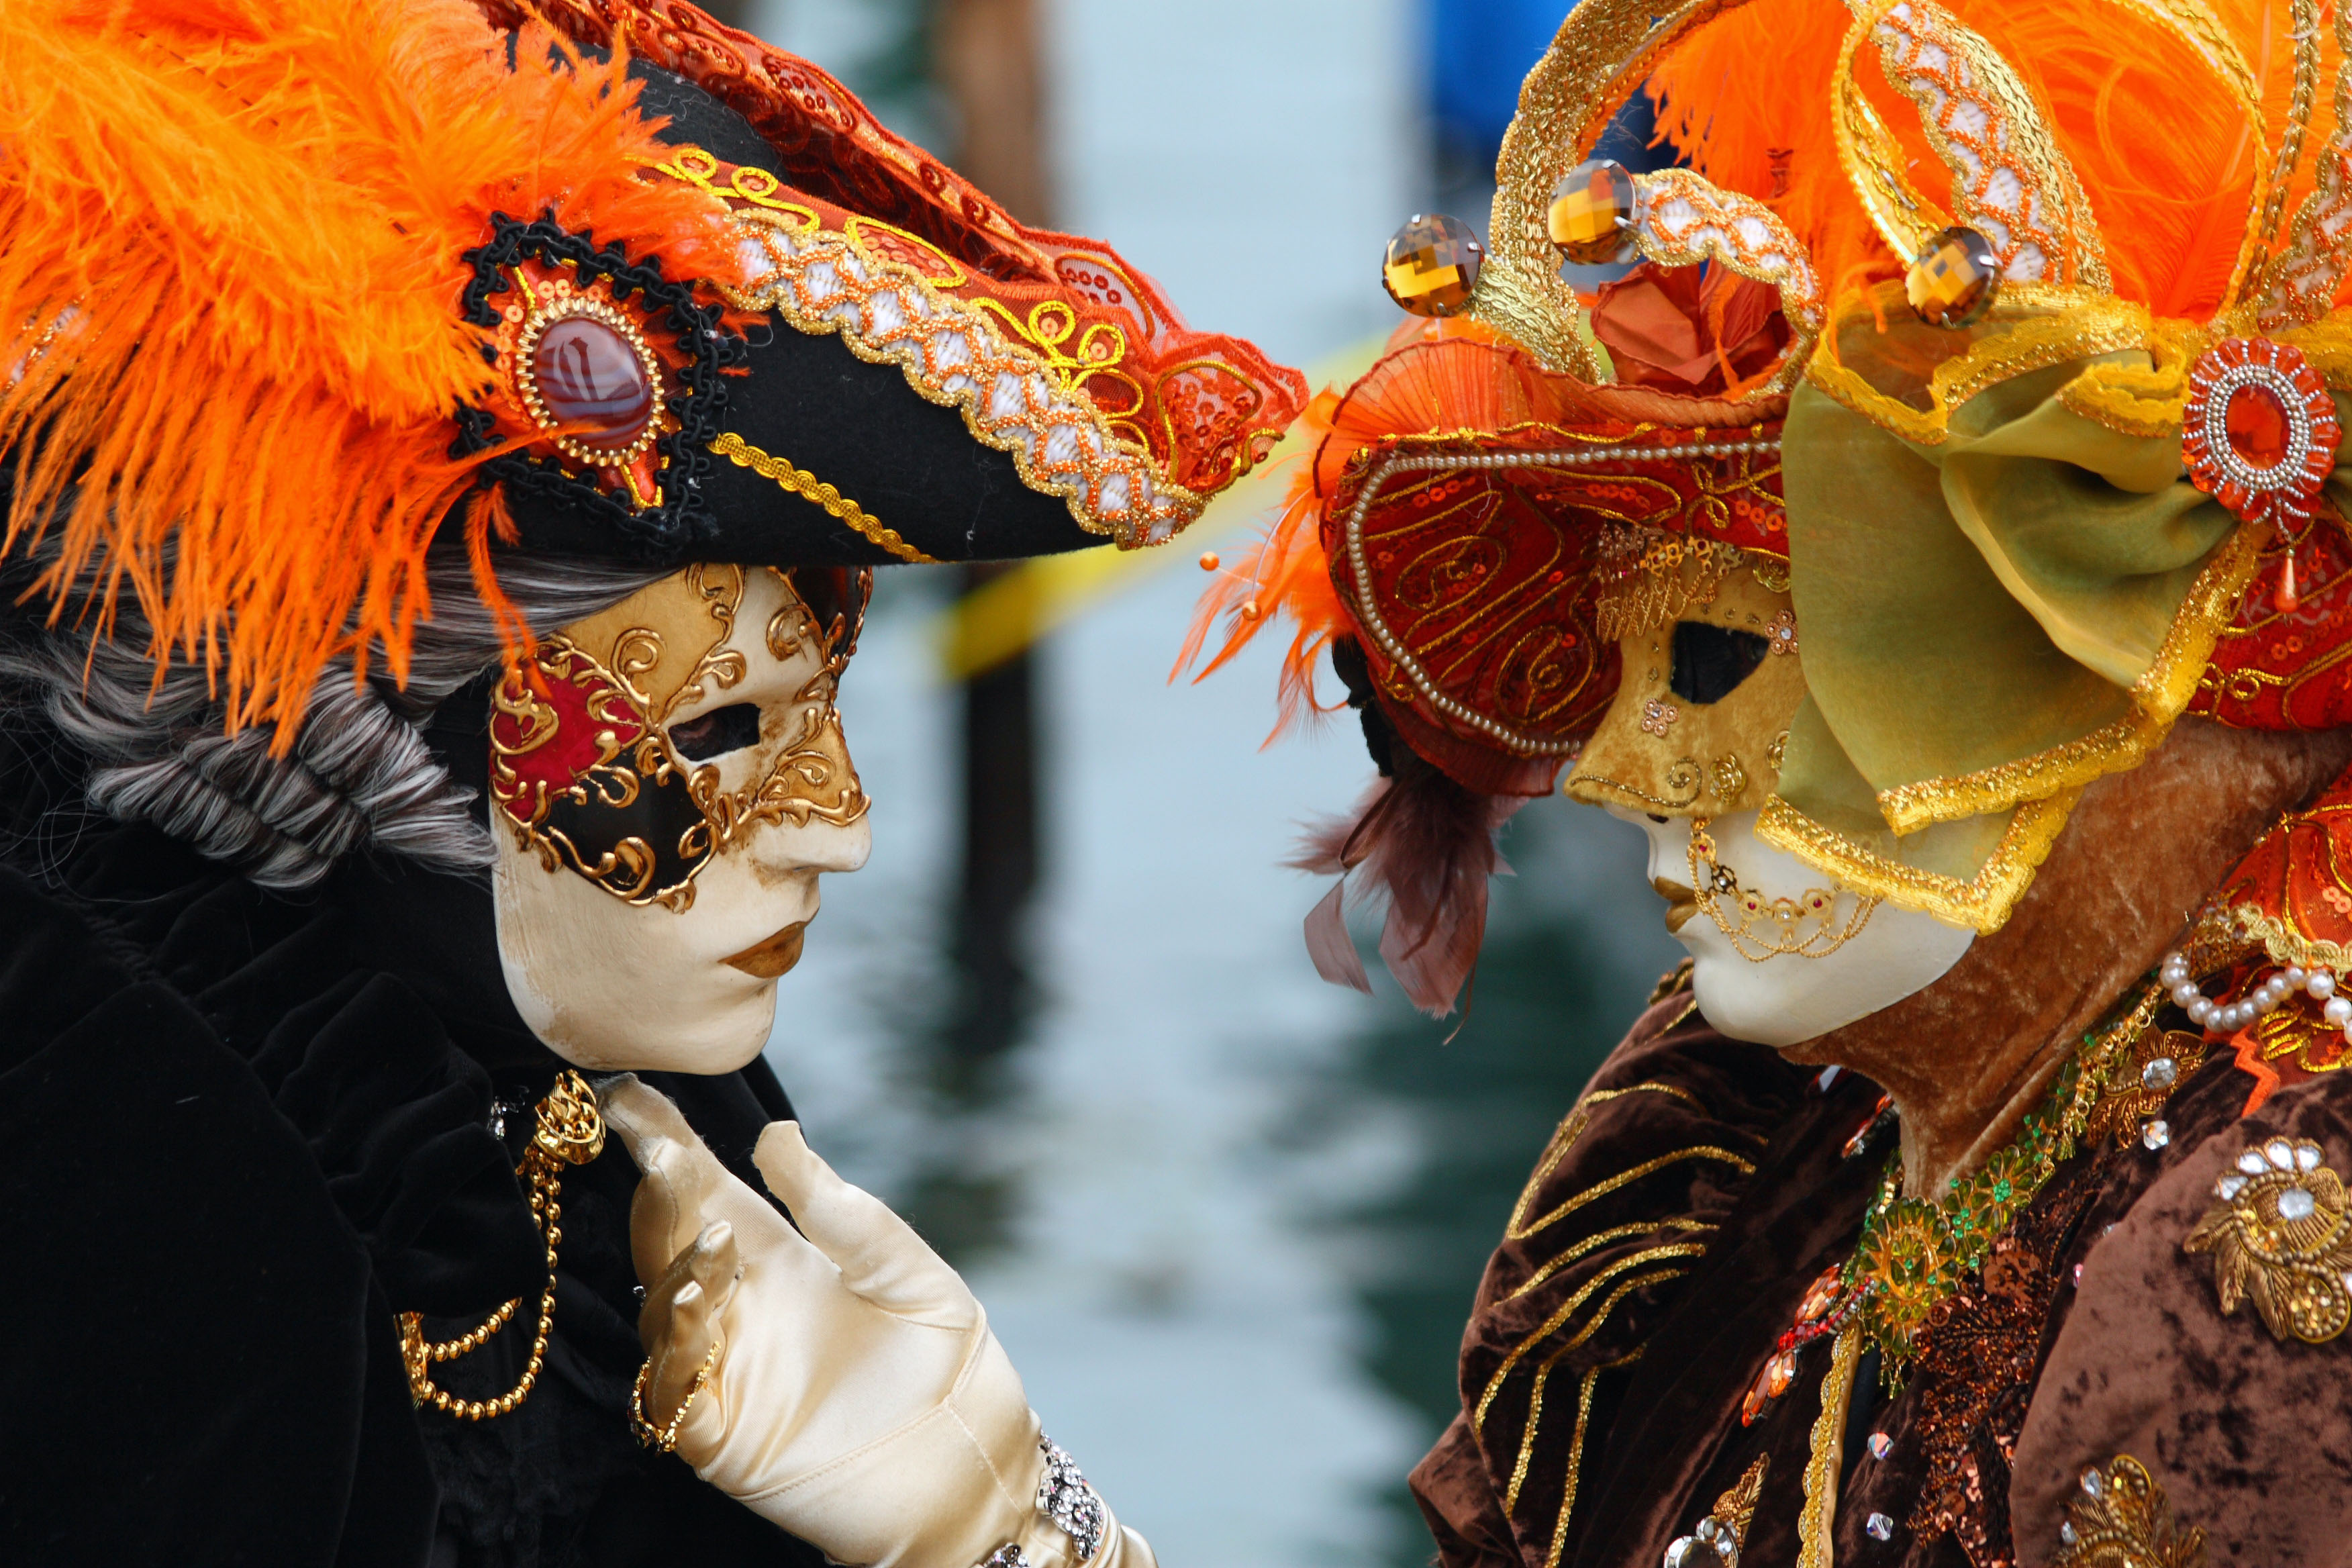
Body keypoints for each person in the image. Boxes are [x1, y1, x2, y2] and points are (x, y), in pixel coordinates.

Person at [626, 1, 2352, 1565]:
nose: (1623, 779)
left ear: (2119, 662)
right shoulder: (1774, 1121)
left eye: (1734, 651)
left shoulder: (2254, 1301)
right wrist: (990, 1512)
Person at [0, 2, 1302, 1563]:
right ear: (374, 731)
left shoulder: (627, 1113)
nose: (847, 826)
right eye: (721, 733)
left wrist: (996, 1517)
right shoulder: (120, 1168)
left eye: (815, 704)